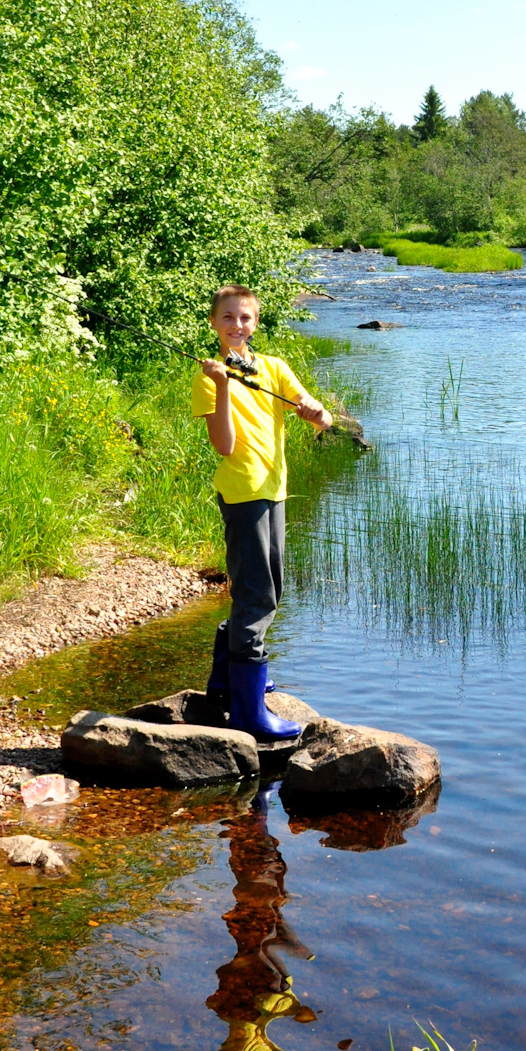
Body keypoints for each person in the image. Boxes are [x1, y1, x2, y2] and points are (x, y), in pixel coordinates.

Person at [192, 284, 332, 740]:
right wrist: (222, 386)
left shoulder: (273, 368)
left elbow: (323, 418)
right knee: (257, 596)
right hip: (242, 492)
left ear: (256, 323)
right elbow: (225, 445)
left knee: (271, 585)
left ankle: (225, 683)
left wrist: (315, 413)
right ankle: (250, 713)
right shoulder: (208, 375)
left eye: (245, 318)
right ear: (214, 323)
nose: (237, 325)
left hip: (275, 490)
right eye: (228, 317)